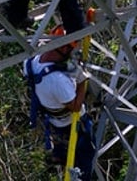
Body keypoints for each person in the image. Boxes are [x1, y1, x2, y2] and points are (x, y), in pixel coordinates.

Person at [23, 26, 95, 180]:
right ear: (63, 49)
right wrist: (82, 81)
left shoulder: (32, 61)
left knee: (64, 150)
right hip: (71, 125)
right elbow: (75, 106)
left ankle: (59, 154)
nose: (72, 54)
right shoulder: (57, 81)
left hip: (53, 121)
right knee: (83, 162)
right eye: (71, 51)